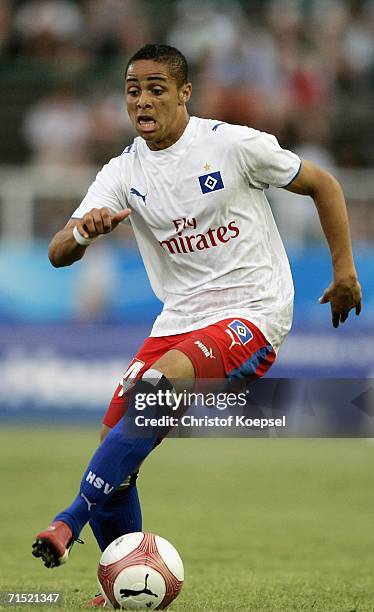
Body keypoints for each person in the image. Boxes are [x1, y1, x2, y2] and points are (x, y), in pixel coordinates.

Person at [32, 44, 362, 605]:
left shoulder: (232, 145)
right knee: (116, 448)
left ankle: (69, 519)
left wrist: (345, 270)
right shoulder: (123, 171)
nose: (143, 100)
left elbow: (323, 185)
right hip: (180, 316)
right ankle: (121, 587)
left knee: (159, 384)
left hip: (253, 310)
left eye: (157, 88)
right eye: (133, 89)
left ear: (184, 94)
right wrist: (85, 230)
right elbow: (58, 251)